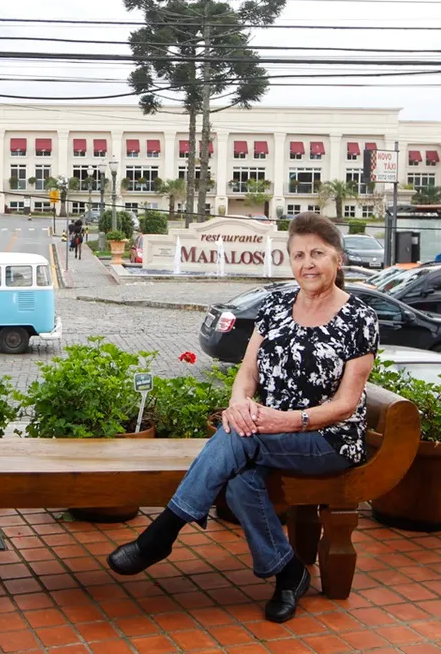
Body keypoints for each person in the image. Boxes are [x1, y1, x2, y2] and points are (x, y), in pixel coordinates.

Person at [107, 212, 378, 623]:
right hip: (267, 432)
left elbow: (345, 405)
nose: (308, 263)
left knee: (242, 438)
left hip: (329, 439)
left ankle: (162, 533)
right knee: (238, 477)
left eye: (318, 253)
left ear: (338, 259)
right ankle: (289, 574)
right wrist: (239, 404)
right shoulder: (274, 306)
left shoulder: (359, 317)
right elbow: (247, 371)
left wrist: (282, 421)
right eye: (299, 254)